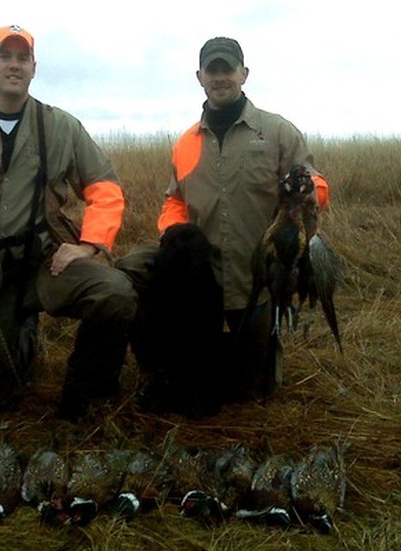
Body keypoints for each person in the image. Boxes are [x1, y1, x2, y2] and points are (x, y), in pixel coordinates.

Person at [0, 24, 137, 421]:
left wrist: (88, 244)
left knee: (114, 293)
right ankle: (21, 334)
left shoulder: (61, 127)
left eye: (22, 58)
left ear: (34, 68)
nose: (14, 65)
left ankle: (87, 393)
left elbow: (105, 188)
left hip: (46, 262)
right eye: (5, 56)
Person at [116, 36, 331, 414]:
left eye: (227, 69)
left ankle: (255, 351)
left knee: (250, 394)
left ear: (243, 74)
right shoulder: (185, 142)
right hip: (204, 281)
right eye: (211, 70)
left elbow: (313, 178)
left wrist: (312, 191)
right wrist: (173, 233)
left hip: (257, 281)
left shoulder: (277, 132)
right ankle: (159, 370)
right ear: (199, 77)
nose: (220, 77)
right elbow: (175, 200)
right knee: (130, 269)